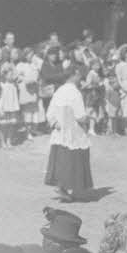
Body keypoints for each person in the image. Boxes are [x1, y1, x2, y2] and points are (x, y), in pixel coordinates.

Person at [45, 66, 94, 203]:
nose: (80, 78)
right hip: (73, 132)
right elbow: (80, 117)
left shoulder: (59, 91)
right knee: (73, 159)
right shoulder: (75, 93)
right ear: (74, 75)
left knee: (62, 160)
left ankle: (63, 188)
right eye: (79, 75)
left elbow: (50, 113)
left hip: (60, 134)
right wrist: (89, 117)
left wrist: (55, 124)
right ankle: (69, 189)